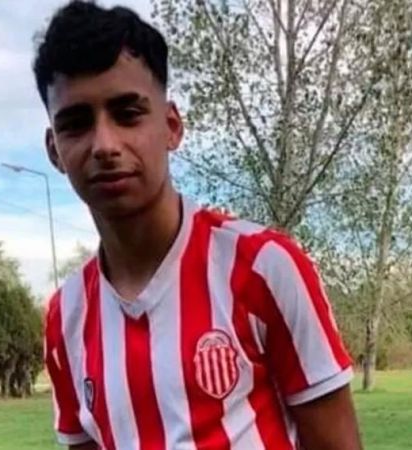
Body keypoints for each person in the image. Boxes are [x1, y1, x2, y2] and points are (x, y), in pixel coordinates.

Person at [34, 2, 362, 449]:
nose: (105, 144)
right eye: (77, 124)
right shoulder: (65, 316)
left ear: (171, 126)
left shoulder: (263, 267)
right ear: (54, 149)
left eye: (127, 114)